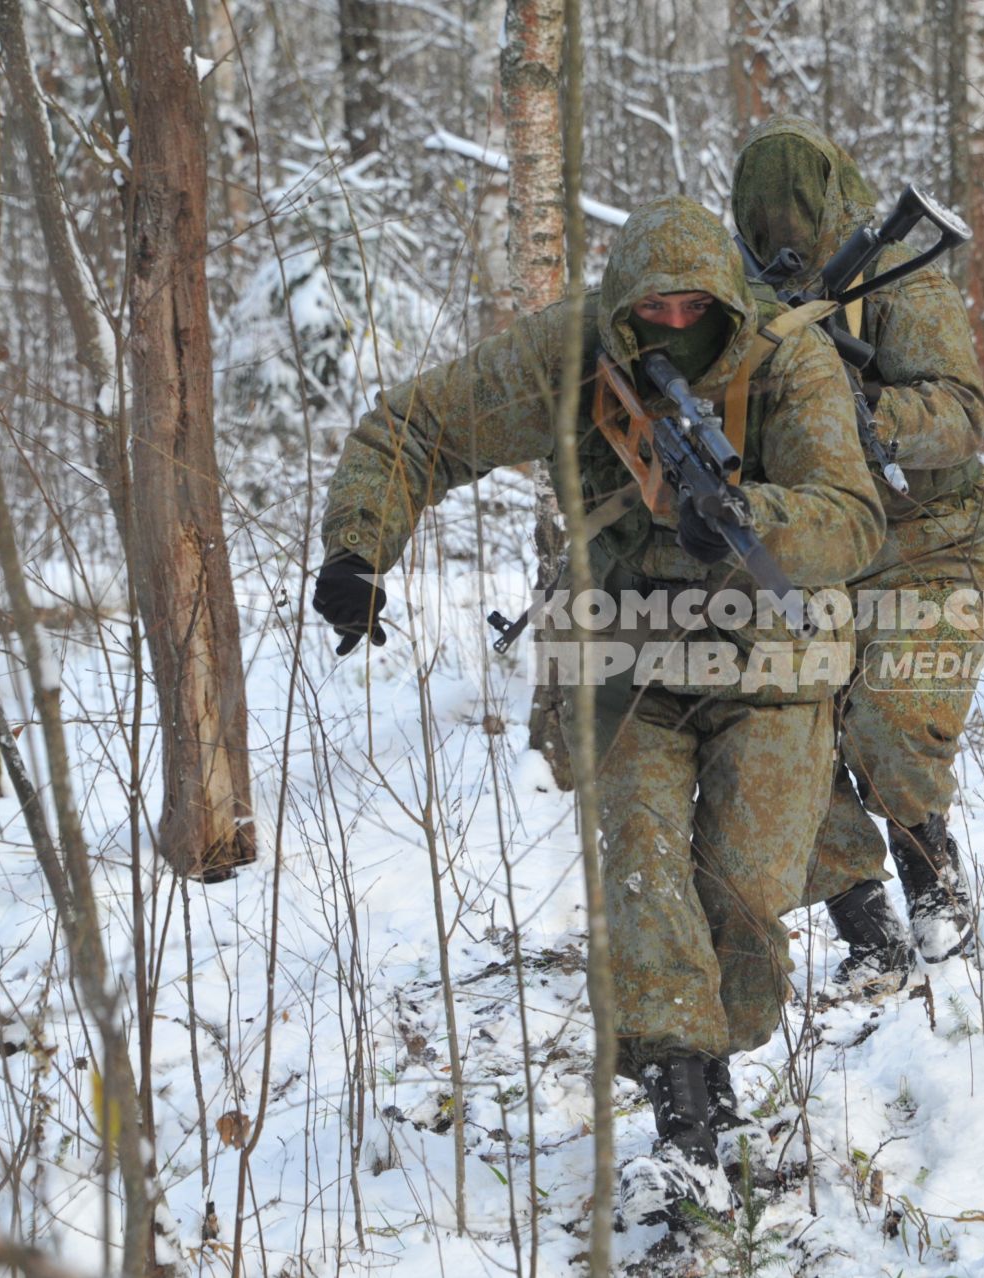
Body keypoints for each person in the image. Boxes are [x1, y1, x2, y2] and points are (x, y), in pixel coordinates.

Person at [311, 196, 883, 1224]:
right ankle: (687, 1116)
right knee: (642, 868)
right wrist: (360, 547)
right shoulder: (571, 352)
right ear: (621, 307)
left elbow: (850, 517)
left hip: (772, 662)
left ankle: (712, 1048)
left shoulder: (788, 363)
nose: (672, 323)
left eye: (691, 308)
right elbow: (418, 427)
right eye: (650, 309)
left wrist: (753, 519)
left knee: (745, 904)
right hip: (624, 660)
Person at [731, 117, 984, 989]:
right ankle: (865, 924)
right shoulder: (745, 302)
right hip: (825, 548)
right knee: (776, 730)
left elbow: (963, 414)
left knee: (888, 716)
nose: (781, 245)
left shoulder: (894, 284)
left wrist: (868, 417)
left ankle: (935, 880)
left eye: (794, 227)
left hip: (936, 541)